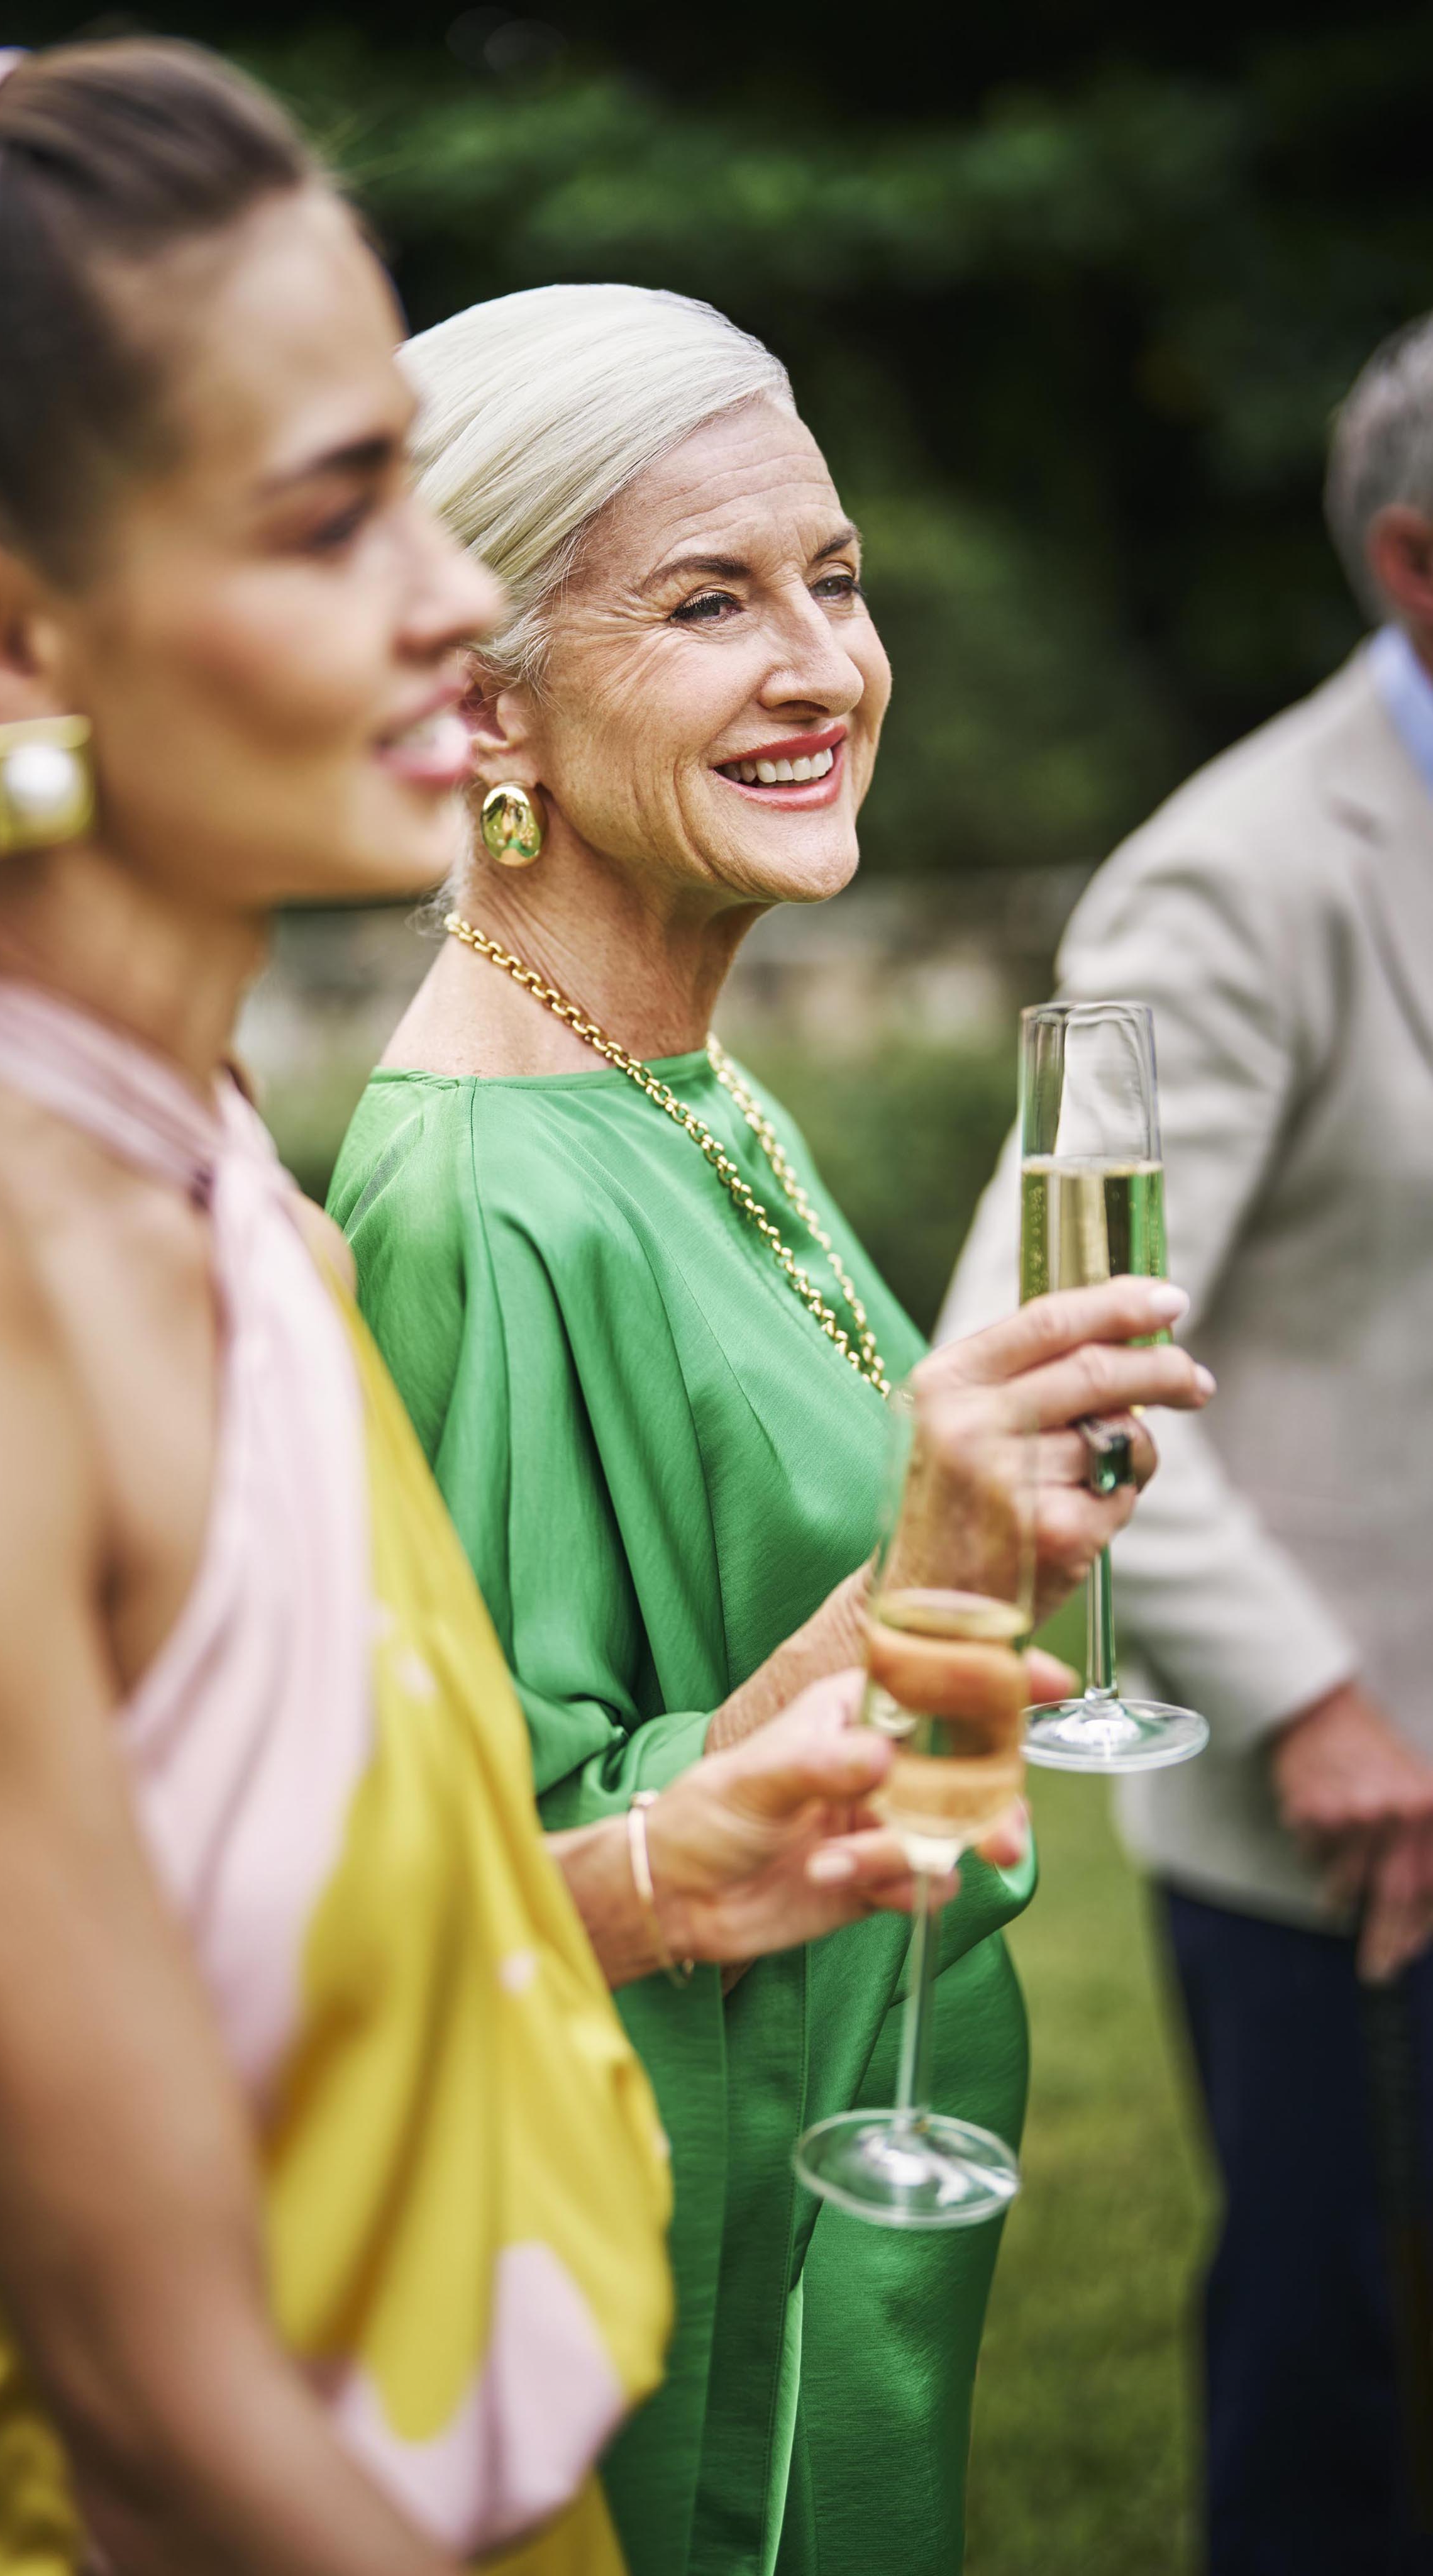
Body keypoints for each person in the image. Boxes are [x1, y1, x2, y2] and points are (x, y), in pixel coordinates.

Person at [0, 55, 1004, 2576]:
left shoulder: (233, 1190)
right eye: (332, 509)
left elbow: (319, 1986)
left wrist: (680, 1849)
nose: (457, 601)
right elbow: (149, 2400)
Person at [327, 282, 1214, 2576]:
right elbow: (486, 1890)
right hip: (684, 2307)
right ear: (483, 696)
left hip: (849, 2215)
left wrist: (998, 1544)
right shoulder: (474, 1186)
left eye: (832, 577)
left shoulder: (687, 1081)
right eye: (706, 600)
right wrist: (923, 1564)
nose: (819, 664)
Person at [940, 313, 1433, 2572]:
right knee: (1351, 2395)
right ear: (1415, 561)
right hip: (1356, 1810)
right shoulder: (1226, 880)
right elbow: (1040, 1345)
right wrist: (1323, 1709)